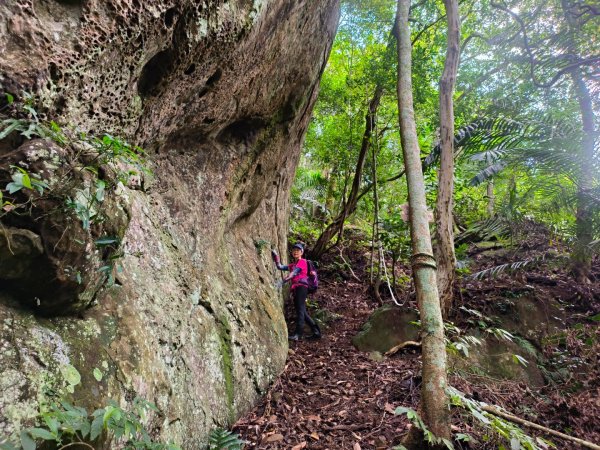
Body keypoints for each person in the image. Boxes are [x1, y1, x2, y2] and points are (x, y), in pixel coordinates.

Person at [272, 243, 321, 341]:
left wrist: (282, 282)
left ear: (302, 252)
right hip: (297, 288)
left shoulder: (302, 262)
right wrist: (276, 256)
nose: (295, 252)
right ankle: (317, 332)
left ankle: (298, 334)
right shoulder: (293, 265)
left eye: (298, 250)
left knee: (300, 311)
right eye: (294, 250)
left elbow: (293, 273)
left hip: (302, 287)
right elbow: (280, 267)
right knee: (302, 311)